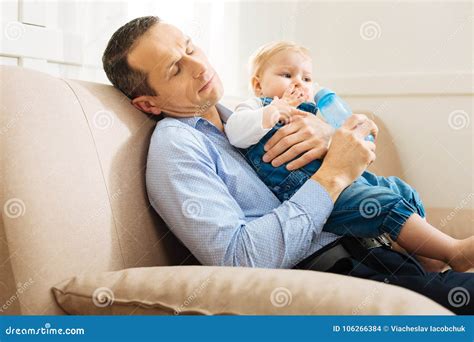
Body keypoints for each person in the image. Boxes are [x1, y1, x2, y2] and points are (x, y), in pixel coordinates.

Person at [101, 16, 474, 314]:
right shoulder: (176, 146)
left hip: (373, 248)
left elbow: (355, 143)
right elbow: (239, 259)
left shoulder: (243, 118)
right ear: (148, 104)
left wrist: (330, 137)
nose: (199, 66)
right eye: (175, 69)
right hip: (330, 277)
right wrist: (333, 175)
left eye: (190, 47)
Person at [224, 41, 474, 272]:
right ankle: (453, 252)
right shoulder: (256, 108)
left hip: (350, 180)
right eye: (287, 75)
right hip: (313, 192)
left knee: (401, 189)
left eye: (307, 78)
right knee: (383, 203)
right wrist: (273, 111)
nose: (299, 83)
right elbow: (235, 131)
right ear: (258, 85)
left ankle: (426, 257)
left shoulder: (313, 114)